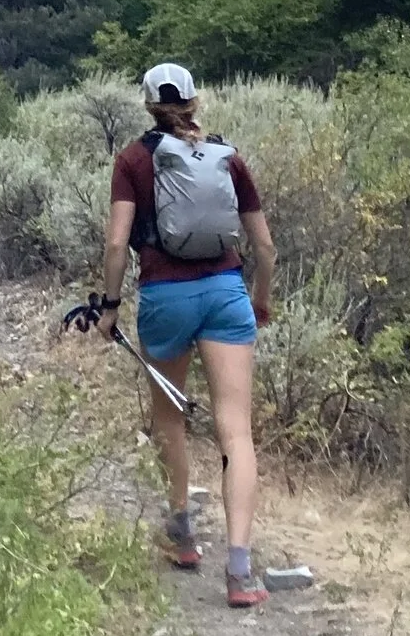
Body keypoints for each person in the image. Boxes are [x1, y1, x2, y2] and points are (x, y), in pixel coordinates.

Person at [95, 61, 276, 608]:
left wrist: (108, 307)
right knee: (236, 432)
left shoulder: (132, 160)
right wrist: (259, 298)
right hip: (225, 293)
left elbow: (114, 245)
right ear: (196, 101)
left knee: (168, 418)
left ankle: (182, 535)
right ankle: (241, 571)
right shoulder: (227, 157)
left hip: (165, 299)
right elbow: (264, 248)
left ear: (148, 104)